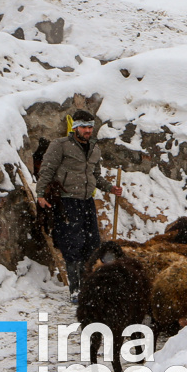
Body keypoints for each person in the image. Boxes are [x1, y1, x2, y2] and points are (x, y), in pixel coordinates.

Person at [36, 109, 122, 301]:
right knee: (73, 244)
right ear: (75, 127)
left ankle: (88, 287)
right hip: (67, 201)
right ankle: (75, 290)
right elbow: (47, 170)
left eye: (90, 127)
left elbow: (95, 176)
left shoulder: (94, 149)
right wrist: (40, 194)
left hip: (86, 202)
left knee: (92, 244)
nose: (87, 131)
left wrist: (109, 188)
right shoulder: (61, 145)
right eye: (83, 127)